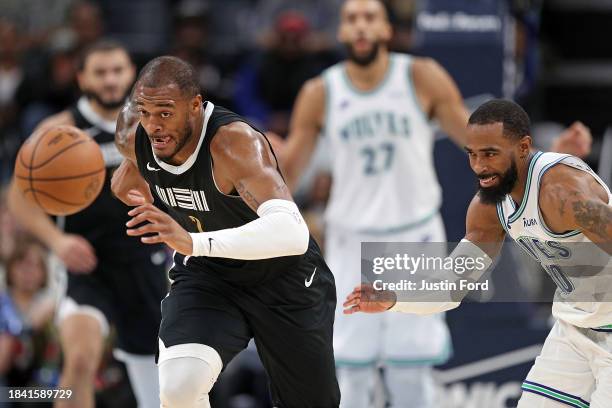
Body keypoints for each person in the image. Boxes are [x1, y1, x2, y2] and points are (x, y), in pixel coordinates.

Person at [275, 0, 592, 406]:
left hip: (412, 234)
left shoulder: (420, 76)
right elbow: (289, 171)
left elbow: (477, 140)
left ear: (386, 29)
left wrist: (543, 157)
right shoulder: (320, 92)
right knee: (350, 368)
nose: (361, 26)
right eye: (352, 19)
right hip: (350, 237)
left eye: (370, 17)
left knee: (412, 369)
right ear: (340, 31)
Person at [343, 99, 612, 408]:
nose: (480, 166)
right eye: (472, 154)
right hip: (574, 331)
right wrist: (394, 297)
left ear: (523, 147)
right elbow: (453, 284)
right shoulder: (489, 207)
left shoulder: (562, 193)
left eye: (490, 154)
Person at [110, 55, 340, 408]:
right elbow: (124, 181)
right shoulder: (134, 136)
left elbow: (292, 233)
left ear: (195, 106)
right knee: (179, 387)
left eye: (165, 113)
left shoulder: (234, 144)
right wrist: (149, 206)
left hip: (284, 278)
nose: (153, 126)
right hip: (210, 276)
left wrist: (190, 239)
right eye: (145, 112)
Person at [7, 40, 168, 408]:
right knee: (79, 360)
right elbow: (17, 199)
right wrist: (55, 241)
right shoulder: (58, 131)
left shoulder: (152, 126)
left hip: (144, 263)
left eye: (117, 70)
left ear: (132, 75)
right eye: (100, 72)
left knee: (160, 387)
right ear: (81, 78)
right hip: (85, 265)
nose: (110, 80)